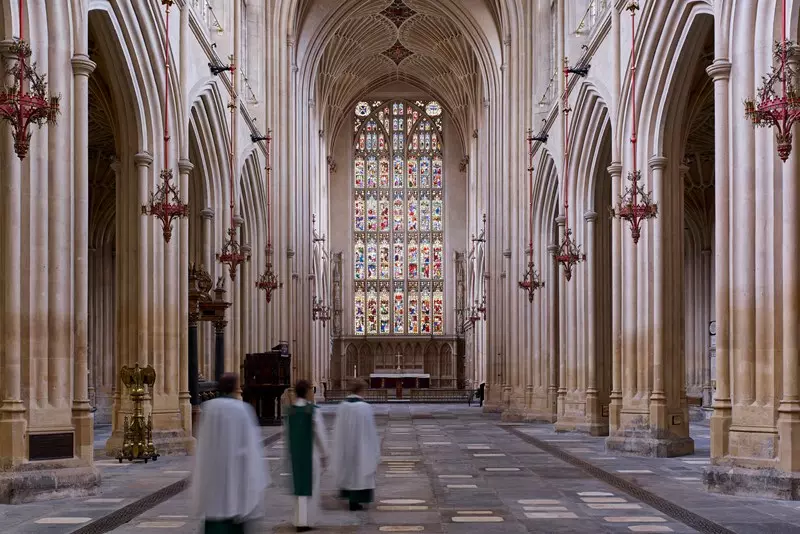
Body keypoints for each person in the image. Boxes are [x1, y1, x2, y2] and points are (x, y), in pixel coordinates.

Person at [192, 373, 269, 534]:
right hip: (237, 484)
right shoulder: (242, 409)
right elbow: (252, 451)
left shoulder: (209, 409)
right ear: (236, 388)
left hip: (212, 483)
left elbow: (202, 447)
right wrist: (257, 483)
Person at [285, 380, 328, 533]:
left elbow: (287, 435)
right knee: (311, 488)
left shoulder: (290, 411)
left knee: (299, 490)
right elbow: (320, 435)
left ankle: (299, 519)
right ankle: (307, 520)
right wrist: (325, 454)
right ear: (309, 391)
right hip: (311, 455)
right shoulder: (313, 410)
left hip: (296, 455)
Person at [331, 379, 380, 511]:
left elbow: (337, 429)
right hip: (362, 448)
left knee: (349, 471)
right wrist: (374, 450)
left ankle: (351, 499)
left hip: (346, 447)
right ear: (361, 390)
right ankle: (358, 499)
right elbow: (370, 431)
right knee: (360, 473)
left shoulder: (343, 406)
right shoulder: (365, 407)